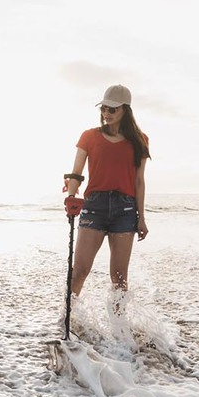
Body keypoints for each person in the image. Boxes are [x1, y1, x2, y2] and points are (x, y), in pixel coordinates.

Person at [62, 83, 150, 299]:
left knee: (119, 278)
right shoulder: (89, 136)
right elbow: (76, 172)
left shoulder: (140, 140)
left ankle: (119, 328)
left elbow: (139, 181)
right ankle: (68, 315)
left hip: (126, 209)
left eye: (113, 109)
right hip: (95, 207)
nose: (106, 113)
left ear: (125, 110)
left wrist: (141, 218)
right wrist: (71, 198)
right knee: (80, 271)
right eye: (103, 108)